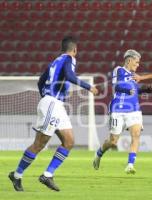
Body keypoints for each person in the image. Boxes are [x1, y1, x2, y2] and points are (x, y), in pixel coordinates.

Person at [8, 36, 99, 192]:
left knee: (69, 141)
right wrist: (88, 87)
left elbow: (40, 82)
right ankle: (17, 174)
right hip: (52, 104)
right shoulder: (69, 59)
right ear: (74, 50)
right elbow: (70, 76)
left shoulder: (54, 62)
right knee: (39, 144)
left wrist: (46, 96)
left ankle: (47, 175)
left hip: (55, 105)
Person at [93, 49, 152, 174]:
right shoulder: (119, 70)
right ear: (129, 60)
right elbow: (116, 86)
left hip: (134, 109)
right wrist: (128, 91)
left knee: (136, 134)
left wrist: (146, 90)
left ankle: (130, 165)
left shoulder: (135, 77)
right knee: (113, 141)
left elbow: (135, 90)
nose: (138, 65)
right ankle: (99, 153)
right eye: (136, 62)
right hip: (118, 109)